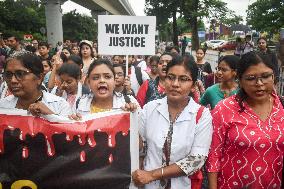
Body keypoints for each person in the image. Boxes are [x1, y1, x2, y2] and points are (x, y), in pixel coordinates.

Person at [132, 55, 213, 189]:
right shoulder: (150, 109)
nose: (175, 84)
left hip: (183, 185)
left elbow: (196, 160)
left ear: (193, 85)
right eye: (170, 77)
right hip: (149, 185)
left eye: (183, 79)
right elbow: (139, 148)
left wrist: (152, 175)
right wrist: (129, 116)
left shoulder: (201, 115)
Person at [206, 52, 284, 189]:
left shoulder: (281, 107)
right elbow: (214, 156)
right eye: (251, 78)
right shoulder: (224, 109)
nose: (259, 83)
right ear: (240, 81)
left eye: (266, 76)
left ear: (274, 77)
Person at [0, 53, 71, 117]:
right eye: (8, 75)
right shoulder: (2, 106)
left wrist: (50, 116)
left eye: (20, 74)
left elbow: (67, 130)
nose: (13, 80)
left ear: (39, 78)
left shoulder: (59, 105)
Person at [70, 59, 138, 117]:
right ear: (89, 82)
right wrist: (73, 123)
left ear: (114, 80)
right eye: (96, 78)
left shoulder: (129, 102)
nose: (102, 80)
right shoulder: (79, 103)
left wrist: (133, 115)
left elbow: (140, 131)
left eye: (107, 77)